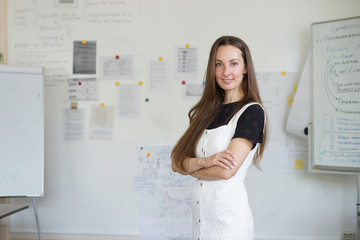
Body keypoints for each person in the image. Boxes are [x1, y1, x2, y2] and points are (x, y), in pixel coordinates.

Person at [171, 36, 268, 240]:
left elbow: (226, 171)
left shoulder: (252, 112)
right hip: (200, 223)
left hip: (228, 223)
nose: (226, 72)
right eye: (219, 64)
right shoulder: (205, 112)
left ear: (245, 68)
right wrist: (204, 162)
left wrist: (192, 170)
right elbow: (176, 161)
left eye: (233, 64)